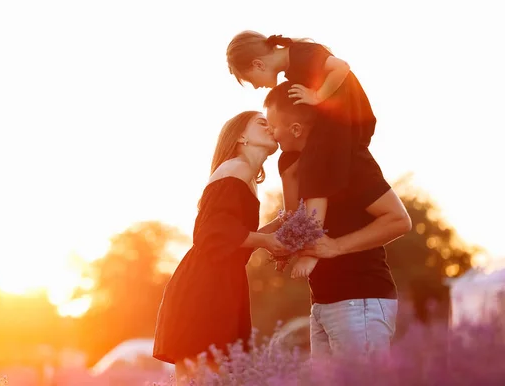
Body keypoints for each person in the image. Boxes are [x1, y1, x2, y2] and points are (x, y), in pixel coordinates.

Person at [263, 81, 412, 359]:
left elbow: (399, 220)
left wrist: (336, 247)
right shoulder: (300, 166)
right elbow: (295, 219)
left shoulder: (351, 161)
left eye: (272, 124)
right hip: (322, 302)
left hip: (360, 300)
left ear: (296, 129)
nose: (270, 131)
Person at [227, 31, 379, 276]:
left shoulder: (301, 55)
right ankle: (293, 236)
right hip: (332, 121)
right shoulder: (292, 68)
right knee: (291, 162)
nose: (256, 86)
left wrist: (318, 96)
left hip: (350, 120)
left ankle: (311, 249)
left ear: (258, 64)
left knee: (315, 175)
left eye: (252, 79)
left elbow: (342, 67)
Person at [153, 111, 286, 383]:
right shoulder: (236, 168)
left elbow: (235, 241)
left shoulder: (244, 175)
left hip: (219, 282)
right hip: (206, 288)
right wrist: (265, 240)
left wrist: (281, 225)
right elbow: (210, 234)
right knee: (204, 378)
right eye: (262, 123)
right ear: (241, 137)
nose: (270, 127)